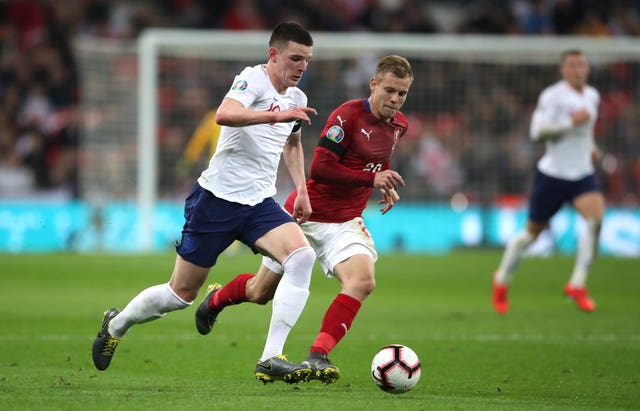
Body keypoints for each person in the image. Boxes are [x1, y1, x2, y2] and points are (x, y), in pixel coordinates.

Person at [92, 22, 318, 384]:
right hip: (216, 201)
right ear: (273, 54)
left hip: (259, 204)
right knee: (179, 295)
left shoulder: (297, 98)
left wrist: (301, 188)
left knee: (302, 257)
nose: (302, 66)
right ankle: (117, 324)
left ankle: (270, 357)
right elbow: (224, 114)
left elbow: (291, 142)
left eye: (307, 59)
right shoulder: (252, 79)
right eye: (295, 58)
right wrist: (274, 115)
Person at [195, 55, 413, 384]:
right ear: (373, 84)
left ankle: (318, 354)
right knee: (259, 292)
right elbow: (322, 169)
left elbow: (369, 166)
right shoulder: (348, 116)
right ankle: (216, 298)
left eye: (402, 94)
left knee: (363, 281)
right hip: (306, 215)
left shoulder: (399, 126)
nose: (395, 99)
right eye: (390, 90)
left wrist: (381, 181)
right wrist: (372, 180)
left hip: (345, 222)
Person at [492, 49, 604, 314]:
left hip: (582, 175)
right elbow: (536, 132)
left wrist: (591, 145)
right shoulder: (553, 97)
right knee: (529, 236)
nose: (578, 69)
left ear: (587, 69)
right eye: (572, 65)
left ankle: (577, 284)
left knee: (596, 220)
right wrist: (569, 123)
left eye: (581, 65)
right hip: (552, 176)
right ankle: (502, 279)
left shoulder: (592, 96)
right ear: (562, 70)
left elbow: (586, 130)